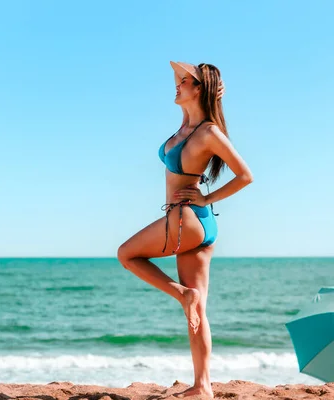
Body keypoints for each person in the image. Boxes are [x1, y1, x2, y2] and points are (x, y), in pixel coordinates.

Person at [117, 61, 253, 398]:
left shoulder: (208, 132)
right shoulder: (186, 126)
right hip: (195, 224)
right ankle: (202, 386)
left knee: (126, 254)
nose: (176, 86)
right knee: (197, 310)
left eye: (184, 81)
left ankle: (182, 294)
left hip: (187, 220)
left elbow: (245, 175)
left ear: (200, 89)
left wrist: (206, 197)